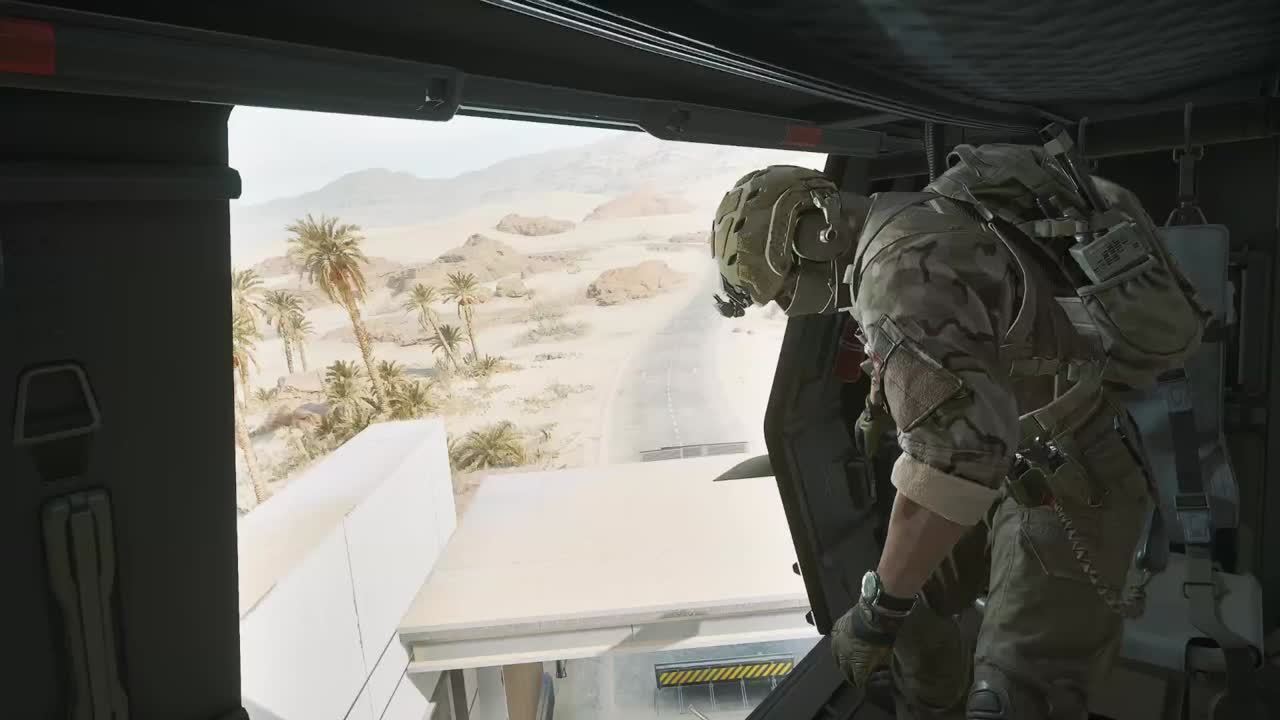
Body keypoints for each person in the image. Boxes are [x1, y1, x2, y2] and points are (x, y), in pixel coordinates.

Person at [709, 140, 1208, 719]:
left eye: (784, 289)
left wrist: (877, 613)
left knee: (1011, 696)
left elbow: (952, 464)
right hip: (1011, 458)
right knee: (912, 617)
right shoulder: (918, 214)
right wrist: (891, 606)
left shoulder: (897, 276)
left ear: (815, 234)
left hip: (1073, 479)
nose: (788, 306)